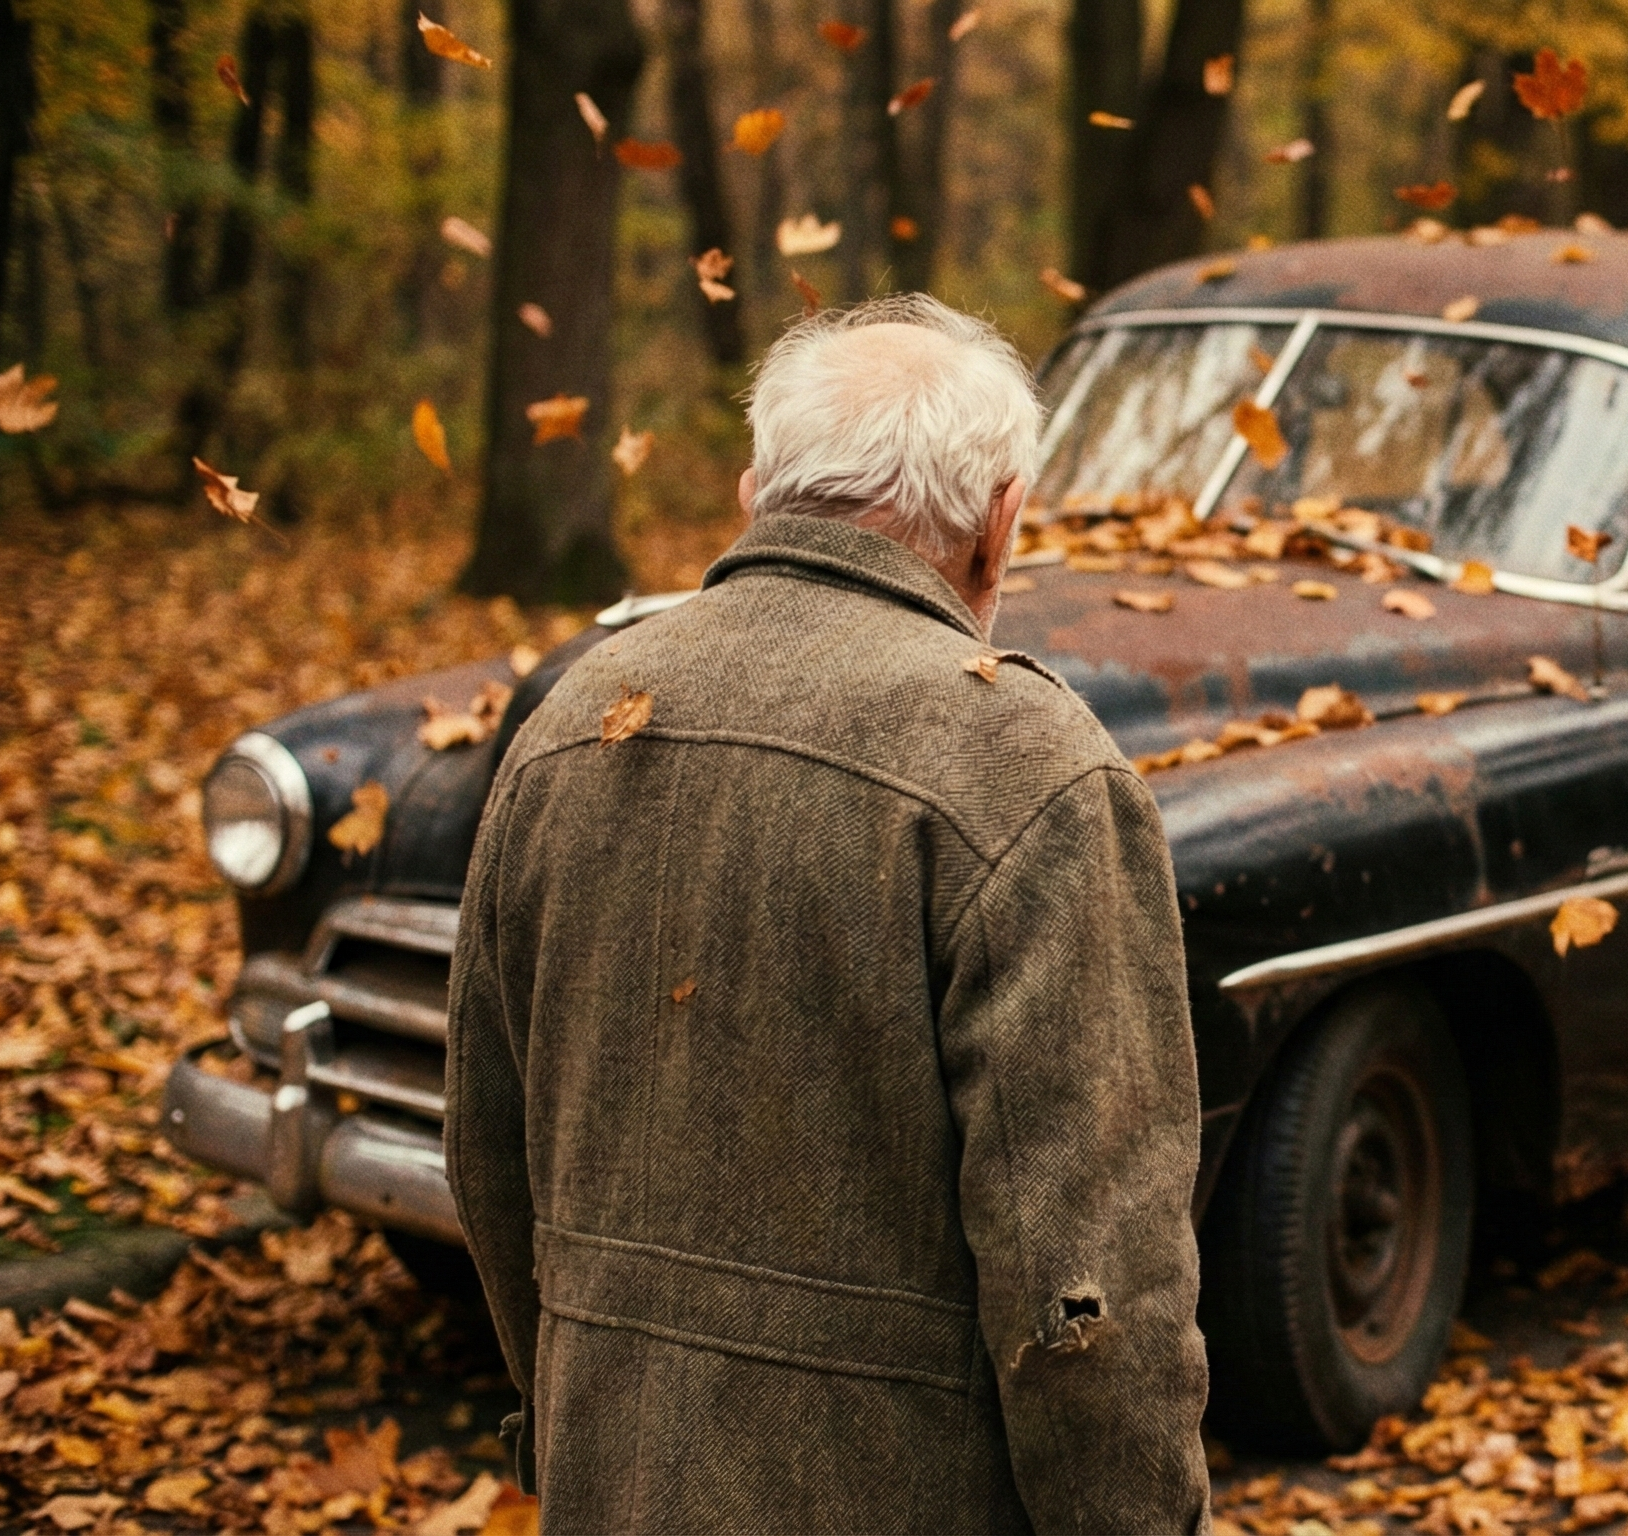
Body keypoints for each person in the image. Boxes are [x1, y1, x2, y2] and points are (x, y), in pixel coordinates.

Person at [444, 294, 1212, 1534]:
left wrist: (580, 1412)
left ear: (756, 494)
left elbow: (486, 1154)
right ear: (999, 523)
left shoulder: (572, 715)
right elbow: (1087, 1282)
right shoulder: (1020, 758)